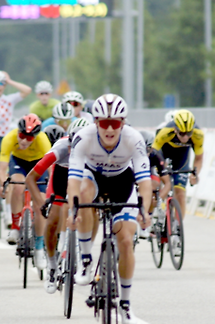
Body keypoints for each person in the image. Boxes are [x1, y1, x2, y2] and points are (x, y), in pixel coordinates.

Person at [67, 94, 151, 324]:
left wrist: (145, 209)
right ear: (96, 122)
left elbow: (144, 181)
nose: (110, 128)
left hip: (122, 182)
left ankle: (125, 305)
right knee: (83, 195)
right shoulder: (84, 137)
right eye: (104, 123)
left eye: (116, 123)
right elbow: (73, 179)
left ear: (123, 122)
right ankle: (85, 261)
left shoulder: (134, 139)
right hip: (92, 178)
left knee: (125, 241)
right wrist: (72, 210)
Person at [26, 119, 88, 294]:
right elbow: (30, 178)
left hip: (83, 178)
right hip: (61, 177)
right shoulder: (60, 148)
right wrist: (40, 205)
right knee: (53, 218)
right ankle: (52, 266)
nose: (74, 150)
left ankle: (80, 254)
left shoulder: (95, 149)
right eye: (72, 145)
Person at [0, 114, 51, 272]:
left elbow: (51, 168)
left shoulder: (43, 141)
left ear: (35, 136)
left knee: (40, 203)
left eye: (29, 138)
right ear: (18, 131)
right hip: (19, 163)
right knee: (18, 187)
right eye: (21, 136)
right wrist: (4, 184)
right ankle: (15, 227)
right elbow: (2, 169)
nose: (23, 141)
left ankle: (40, 247)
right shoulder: (9, 138)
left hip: (38, 164)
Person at [152, 109, 203, 215]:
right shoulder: (165, 132)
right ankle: (154, 213)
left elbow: (199, 158)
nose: (185, 137)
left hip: (181, 158)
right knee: (159, 185)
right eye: (182, 133)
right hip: (163, 155)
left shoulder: (198, 135)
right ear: (175, 129)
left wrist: (195, 173)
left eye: (189, 133)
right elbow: (154, 154)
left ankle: (178, 227)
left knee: (180, 193)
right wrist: (160, 169)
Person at [137, 130, 171, 239]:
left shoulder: (155, 155)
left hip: (149, 172)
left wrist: (159, 199)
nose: (144, 153)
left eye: (147, 150)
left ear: (151, 148)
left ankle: (147, 220)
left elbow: (167, 183)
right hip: (135, 172)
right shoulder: (131, 153)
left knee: (153, 186)